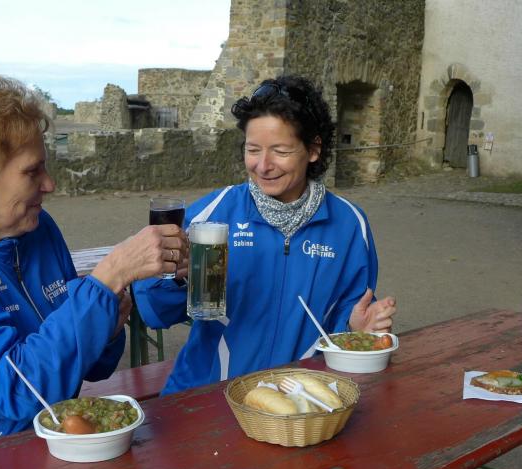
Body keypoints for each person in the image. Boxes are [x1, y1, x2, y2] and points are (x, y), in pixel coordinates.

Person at [0, 74, 187, 465]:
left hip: (50, 446)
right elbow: (14, 390)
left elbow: (93, 367)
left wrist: (107, 325)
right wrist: (107, 278)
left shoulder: (37, 228)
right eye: (32, 171)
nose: (50, 184)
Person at [133, 74, 397, 395]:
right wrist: (177, 279)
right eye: (253, 149)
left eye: (280, 151)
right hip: (210, 395)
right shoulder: (214, 214)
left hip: (296, 400)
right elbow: (152, 310)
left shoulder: (350, 225)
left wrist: (354, 328)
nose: (263, 165)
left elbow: (345, 314)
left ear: (313, 149)